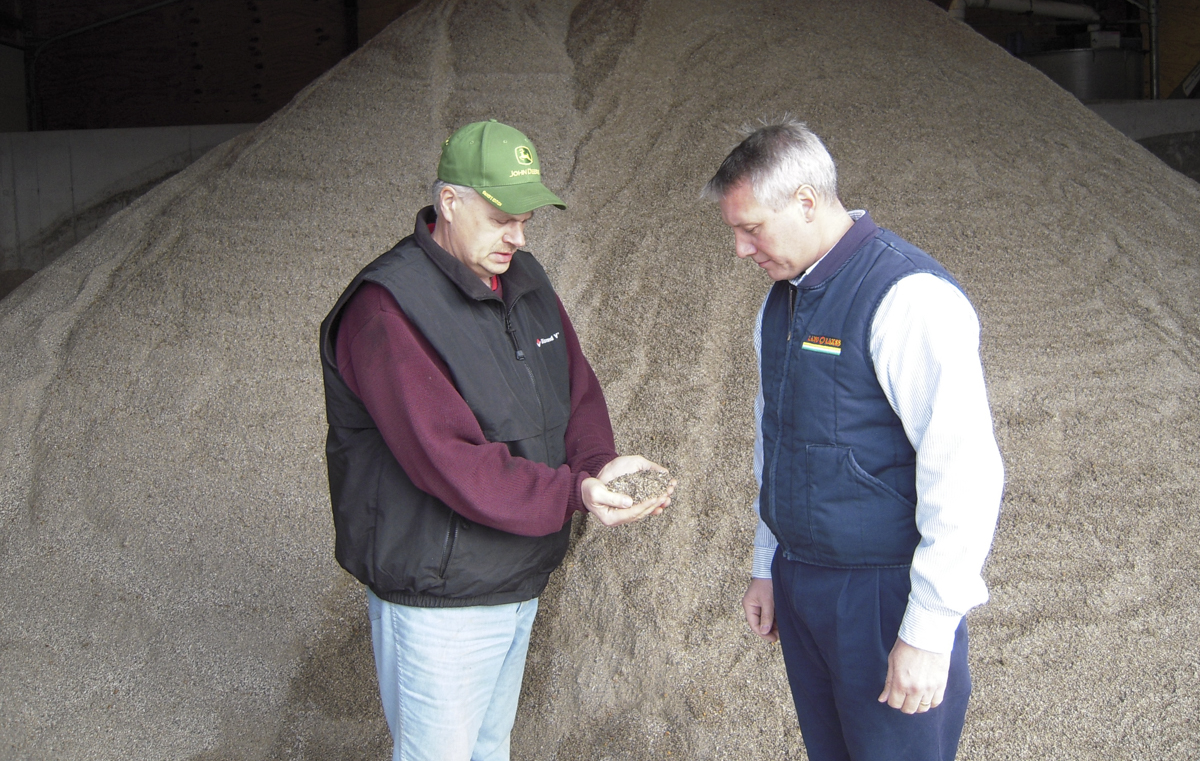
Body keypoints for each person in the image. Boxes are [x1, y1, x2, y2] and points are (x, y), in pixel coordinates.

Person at [319, 119, 672, 761]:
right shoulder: (387, 310)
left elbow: (577, 393)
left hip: (516, 576)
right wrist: (576, 491)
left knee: (489, 749)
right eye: (501, 215)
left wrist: (598, 466)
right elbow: (447, 459)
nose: (518, 234)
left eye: (528, 217)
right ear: (449, 203)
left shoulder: (524, 280)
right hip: (441, 597)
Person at [702, 121, 1003, 761]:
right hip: (804, 582)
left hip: (881, 594)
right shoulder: (780, 302)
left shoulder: (909, 299)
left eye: (750, 227)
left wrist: (928, 630)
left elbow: (966, 474)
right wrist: (768, 563)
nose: (739, 248)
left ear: (806, 202)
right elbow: (776, 439)